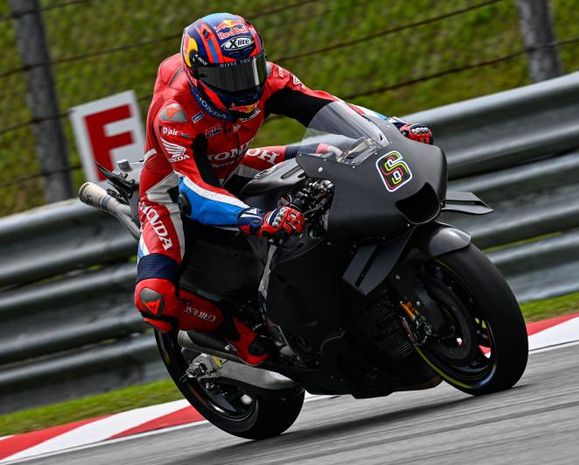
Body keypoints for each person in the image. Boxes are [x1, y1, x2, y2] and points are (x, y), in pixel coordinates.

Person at [134, 12, 433, 366]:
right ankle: (236, 333)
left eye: (249, 69)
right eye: (228, 76)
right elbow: (196, 191)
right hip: (172, 192)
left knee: (330, 153)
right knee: (155, 298)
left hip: (238, 162)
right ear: (198, 75)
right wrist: (257, 217)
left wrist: (391, 128)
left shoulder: (268, 78)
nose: (244, 84)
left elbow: (326, 106)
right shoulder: (174, 114)